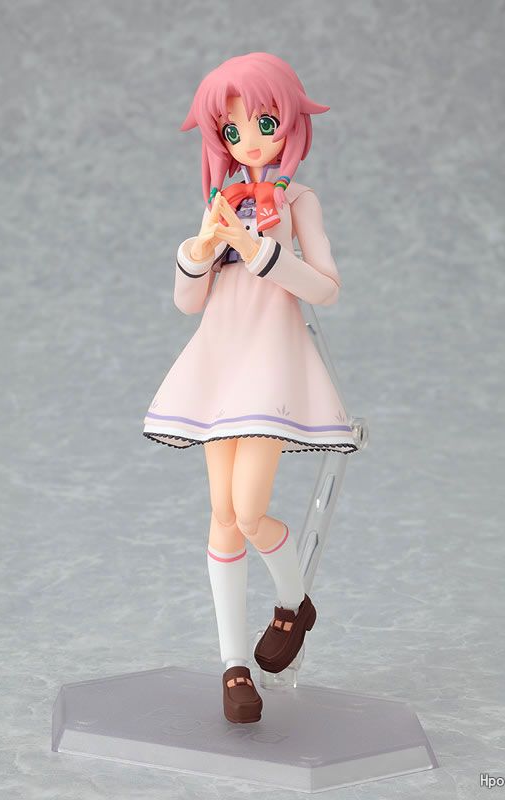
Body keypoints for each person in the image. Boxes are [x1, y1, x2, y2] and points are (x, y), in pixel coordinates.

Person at [143, 52, 358, 723]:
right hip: (219, 361)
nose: (249, 140)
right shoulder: (221, 201)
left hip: (269, 365)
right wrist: (200, 250)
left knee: (247, 509)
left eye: (263, 123)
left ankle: (293, 603)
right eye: (233, 130)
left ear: (288, 120)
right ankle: (233, 664)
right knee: (220, 514)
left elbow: (325, 287)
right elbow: (188, 302)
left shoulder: (298, 201)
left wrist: (264, 249)